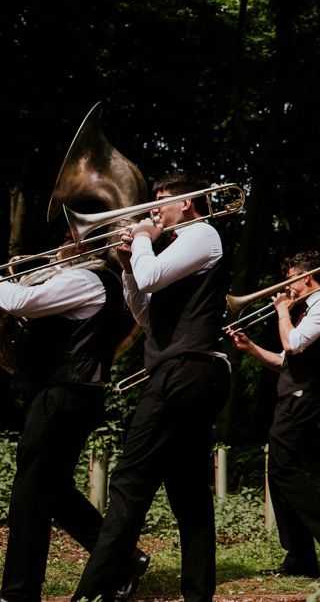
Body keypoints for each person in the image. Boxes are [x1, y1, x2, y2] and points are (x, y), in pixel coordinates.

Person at [72, 171, 232, 602]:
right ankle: (198, 594)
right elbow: (147, 316)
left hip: (187, 372)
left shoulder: (203, 234)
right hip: (183, 371)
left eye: (162, 200)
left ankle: (93, 591)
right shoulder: (178, 250)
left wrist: (141, 240)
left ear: (189, 202)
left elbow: (152, 276)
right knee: (189, 492)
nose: (153, 210)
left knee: (129, 480)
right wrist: (127, 266)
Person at [0, 232, 148, 602]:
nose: (58, 247)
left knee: (30, 494)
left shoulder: (84, 279)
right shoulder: (93, 280)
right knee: (54, 491)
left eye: (68, 239)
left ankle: (19, 592)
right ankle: (123, 559)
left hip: (63, 394)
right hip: (69, 394)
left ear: (86, 247)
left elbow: (20, 301)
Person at [227, 249, 320, 582]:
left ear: (308, 277)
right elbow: (286, 360)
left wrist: (282, 312)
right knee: (278, 473)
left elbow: (294, 344)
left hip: (305, 398)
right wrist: (252, 348)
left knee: (285, 470)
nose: (287, 288)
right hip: (291, 395)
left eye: (291, 281)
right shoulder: (306, 311)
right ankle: (300, 555)